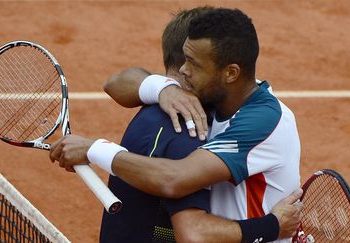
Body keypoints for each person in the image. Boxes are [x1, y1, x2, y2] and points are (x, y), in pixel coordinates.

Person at [50, 7, 301, 243]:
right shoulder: (217, 92)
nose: (183, 69)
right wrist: (163, 89)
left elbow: (175, 178)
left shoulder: (261, 122)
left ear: (231, 73)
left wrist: (94, 149)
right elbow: (115, 83)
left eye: (194, 63)